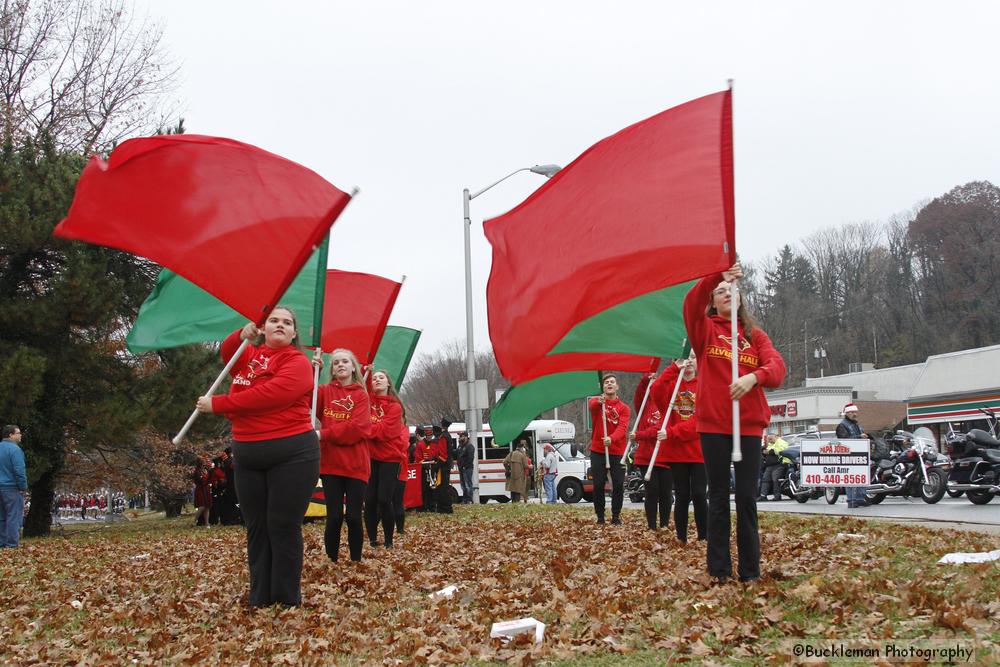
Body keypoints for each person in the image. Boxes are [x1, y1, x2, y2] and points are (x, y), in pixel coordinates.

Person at [195, 307, 317, 607]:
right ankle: (260, 595)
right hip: (247, 455)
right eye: (274, 320)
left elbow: (272, 395)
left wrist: (220, 404)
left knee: (282, 524)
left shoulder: (298, 362)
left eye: (287, 323)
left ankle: (287, 598)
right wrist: (240, 334)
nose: (280, 325)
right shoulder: (250, 357)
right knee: (257, 526)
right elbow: (228, 353)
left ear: (293, 333)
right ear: (263, 328)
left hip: (293, 454)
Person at [683, 263, 786, 583]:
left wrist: (754, 377)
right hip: (714, 425)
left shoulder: (754, 336)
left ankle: (750, 572)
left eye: (732, 291)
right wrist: (716, 275)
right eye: (721, 293)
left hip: (749, 427)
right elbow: (690, 302)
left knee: (746, 498)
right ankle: (719, 570)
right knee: (717, 497)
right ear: (713, 301)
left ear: (741, 298)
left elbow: (777, 369)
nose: (727, 294)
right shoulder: (705, 331)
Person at [315, 348, 372, 562]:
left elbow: (357, 429)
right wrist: (314, 370)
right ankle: (332, 561)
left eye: (345, 361)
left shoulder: (361, 395)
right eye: (336, 362)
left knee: (354, 516)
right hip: (331, 464)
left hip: (356, 465)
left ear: (352, 367)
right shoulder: (324, 391)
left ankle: (356, 560)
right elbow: (305, 398)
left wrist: (323, 434)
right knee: (335, 516)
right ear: (332, 368)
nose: (340, 364)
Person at [658, 353, 707, 544]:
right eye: (685, 358)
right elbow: (656, 392)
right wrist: (673, 367)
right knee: (681, 495)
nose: (689, 362)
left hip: (699, 452)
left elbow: (700, 421)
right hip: (677, 453)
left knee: (699, 494)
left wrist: (672, 432)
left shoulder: (704, 386)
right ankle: (681, 537)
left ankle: (704, 535)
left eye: (694, 357)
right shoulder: (672, 386)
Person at [364, 369, 404, 549]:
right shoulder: (365, 402)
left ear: (388, 383)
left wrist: (366, 428)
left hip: (390, 458)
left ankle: (389, 541)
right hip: (369, 457)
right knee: (370, 499)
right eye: (374, 378)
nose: (377, 380)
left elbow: (385, 432)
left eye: (381, 377)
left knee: (384, 499)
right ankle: (372, 540)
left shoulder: (395, 407)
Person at [633, 366, 674, 531]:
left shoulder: (669, 405)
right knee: (652, 491)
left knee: (666, 493)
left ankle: (664, 525)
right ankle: (651, 527)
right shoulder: (645, 404)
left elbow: (660, 428)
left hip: (666, 456)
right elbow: (640, 394)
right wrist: (646, 379)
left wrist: (640, 435)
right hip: (646, 456)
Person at [589, 374, 631, 525]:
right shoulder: (597, 403)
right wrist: (599, 402)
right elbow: (592, 405)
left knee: (618, 484)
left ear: (617, 386)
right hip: (598, 451)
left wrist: (611, 438)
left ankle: (616, 515)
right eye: (606, 382)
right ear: (603, 387)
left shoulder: (624, 408)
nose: (609, 384)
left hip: (617, 451)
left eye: (612, 382)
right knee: (598, 484)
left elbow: (623, 428)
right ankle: (600, 516)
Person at [836, 404, 870, 509]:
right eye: (852, 412)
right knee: (849, 478)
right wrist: (859, 436)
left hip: (860, 453)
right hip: (848, 455)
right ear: (847, 413)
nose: (855, 414)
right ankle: (851, 500)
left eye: (856, 412)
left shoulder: (856, 425)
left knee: (860, 476)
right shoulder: (842, 425)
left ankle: (860, 498)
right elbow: (844, 440)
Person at [0, 425, 28, 548]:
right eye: (18, 433)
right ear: (11, 435)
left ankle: (1, 543)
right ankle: (11, 544)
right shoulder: (15, 450)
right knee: (14, 516)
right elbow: (19, 471)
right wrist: (23, 486)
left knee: (1, 517)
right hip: (11, 487)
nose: (20, 435)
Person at [758, 434, 790, 502]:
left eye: (771, 439)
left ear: (776, 437)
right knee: (765, 480)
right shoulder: (770, 444)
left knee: (776, 480)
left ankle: (777, 496)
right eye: (768, 439)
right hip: (769, 465)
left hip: (778, 464)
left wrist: (769, 451)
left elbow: (781, 450)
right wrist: (765, 451)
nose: (769, 440)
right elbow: (765, 451)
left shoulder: (781, 442)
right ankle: (763, 496)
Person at [433, 422, 455, 514]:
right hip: (446, 465)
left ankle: (445, 508)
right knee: (443, 487)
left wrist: (436, 466)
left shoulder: (443, 437)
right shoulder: (448, 436)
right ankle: (444, 507)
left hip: (443, 466)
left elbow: (443, 455)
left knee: (442, 488)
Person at [456, 432, 476, 504]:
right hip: (461, 468)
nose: (460, 438)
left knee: (468, 485)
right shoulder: (460, 446)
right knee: (463, 485)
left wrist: (465, 466)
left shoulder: (469, 446)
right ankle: (465, 499)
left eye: (461, 436)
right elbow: (457, 455)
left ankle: (469, 499)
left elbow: (471, 458)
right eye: (460, 436)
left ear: (466, 437)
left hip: (467, 469)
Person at [192, 459, 213, 527]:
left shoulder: (205, 470)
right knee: (202, 507)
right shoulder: (196, 472)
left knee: (207, 507)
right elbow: (199, 481)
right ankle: (194, 521)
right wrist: (206, 478)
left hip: (206, 488)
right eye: (202, 463)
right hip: (200, 489)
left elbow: (208, 478)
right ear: (200, 464)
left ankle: (207, 523)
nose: (204, 464)